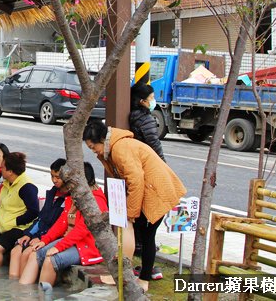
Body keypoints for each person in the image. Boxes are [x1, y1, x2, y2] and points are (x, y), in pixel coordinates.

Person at [84, 120, 186, 291]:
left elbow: (136, 181)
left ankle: (143, 279)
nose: (93, 151)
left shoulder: (120, 148)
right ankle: (126, 273)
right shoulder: (113, 147)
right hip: (148, 192)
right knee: (138, 233)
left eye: (93, 147)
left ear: (102, 139)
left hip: (155, 193)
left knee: (146, 236)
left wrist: (131, 213)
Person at [19, 162, 107, 292]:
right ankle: (21, 293)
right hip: (71, 241)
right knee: (34, 253)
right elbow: (62, 222)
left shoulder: (95, 201)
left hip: (87, 246)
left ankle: (42, 296)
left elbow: (81, 231)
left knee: (51, 260)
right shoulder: (75, 195)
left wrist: (57, 247)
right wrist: (45, 240)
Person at [0, 151, 39, 267]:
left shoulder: (27, 187)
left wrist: (15, 221)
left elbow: (34, 212)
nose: (1, 169)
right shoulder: (6, 182)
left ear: (10, 171)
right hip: (2, 225)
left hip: (18, 228)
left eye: (3, 167)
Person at [10, 158, 69, 279]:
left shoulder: (69, 198)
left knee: (27, 253)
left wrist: (40, 238)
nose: (54, 180)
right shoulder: (52, 193)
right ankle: (14, 288)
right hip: (39, 234)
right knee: (15, 251)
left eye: (57, 177)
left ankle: (23, 288)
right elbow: (41, 218)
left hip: (50, 237)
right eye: (52, 176)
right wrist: (28, 234)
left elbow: (59, 227)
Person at [129, 83, 165, 161]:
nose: (153, 101)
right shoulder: (146, 119)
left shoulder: (132, 114)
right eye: (151, 98)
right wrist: (163, 162)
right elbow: (154, 143)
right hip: (146, 159)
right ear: (142, 101)